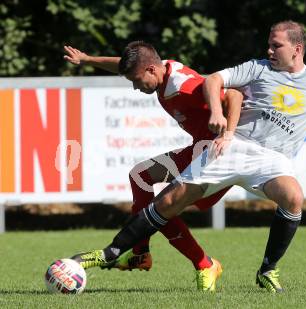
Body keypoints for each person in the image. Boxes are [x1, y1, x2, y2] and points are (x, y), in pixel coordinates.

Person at [68, 21, 306, 293]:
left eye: (276, 45)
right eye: (269, 44)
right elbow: (215, 80)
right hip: (231, 146)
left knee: (293, 197)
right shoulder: (257, 68)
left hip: (271, 158)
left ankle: (266, 269)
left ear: (297, 49)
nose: (270, 49)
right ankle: (115, 251)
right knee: (166, 201)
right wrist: (226, 129)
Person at [64, 43, 243, 291]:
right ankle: (140, 252)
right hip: (200, 149)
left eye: (137, 81)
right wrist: (87, 59)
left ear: (150, 69)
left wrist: (222, 122)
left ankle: (205, 264)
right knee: (141, 176)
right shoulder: (161, 70)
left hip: (220, 156)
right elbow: (123, 64)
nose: (136, 88)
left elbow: (234, 95)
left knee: (162, 209)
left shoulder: (183, 86)